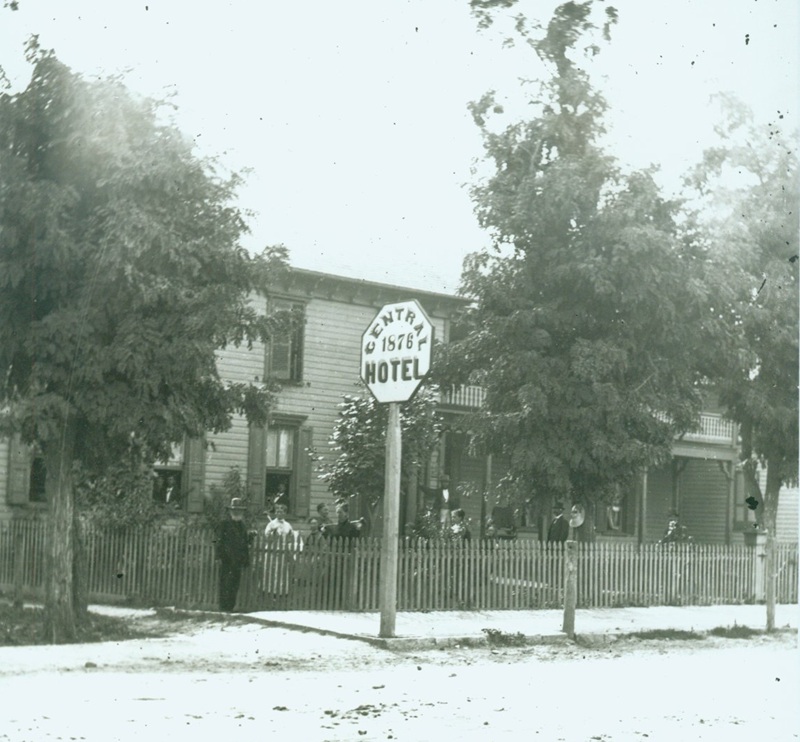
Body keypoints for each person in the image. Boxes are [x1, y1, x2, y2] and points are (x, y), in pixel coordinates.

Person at [215, 497, 250, 612]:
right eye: (234, 510)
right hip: (227, 559)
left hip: (238, 560)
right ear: (230, 511)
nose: (237, 513)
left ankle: (230, 607)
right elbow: (218, 541)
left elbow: (244, 542)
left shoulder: (242, 526)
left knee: (235, 584)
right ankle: (223, 608)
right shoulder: (224, 524)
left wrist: (251, 538)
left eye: (239, 511)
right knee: (225, 583)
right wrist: (219, 556)